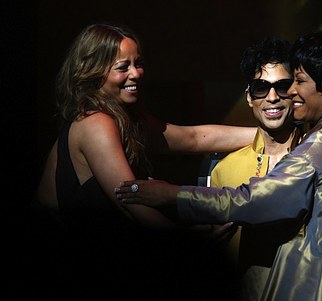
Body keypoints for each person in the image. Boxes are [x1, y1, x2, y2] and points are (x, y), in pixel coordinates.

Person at [116, 28, 322, 301]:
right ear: (249, 95)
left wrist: (171, 194)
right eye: (262, 87)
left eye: (292, 83)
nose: (282, 95)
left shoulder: (317, 151)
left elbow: (251, 200)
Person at [35, 23, 255, 300]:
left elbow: (194, 138)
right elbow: (131, 203)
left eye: (138, 64)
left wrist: (270, 134)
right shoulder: (95, 123)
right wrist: (193, 245)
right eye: (122, 67)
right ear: (93, 71)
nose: (136, 73)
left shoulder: (125, 117)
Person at [208, 36, 305, 301]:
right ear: (250, 97)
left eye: (282, 86)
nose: (272, 97)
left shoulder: (318, 161)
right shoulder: (225, 171)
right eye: (261, 87)